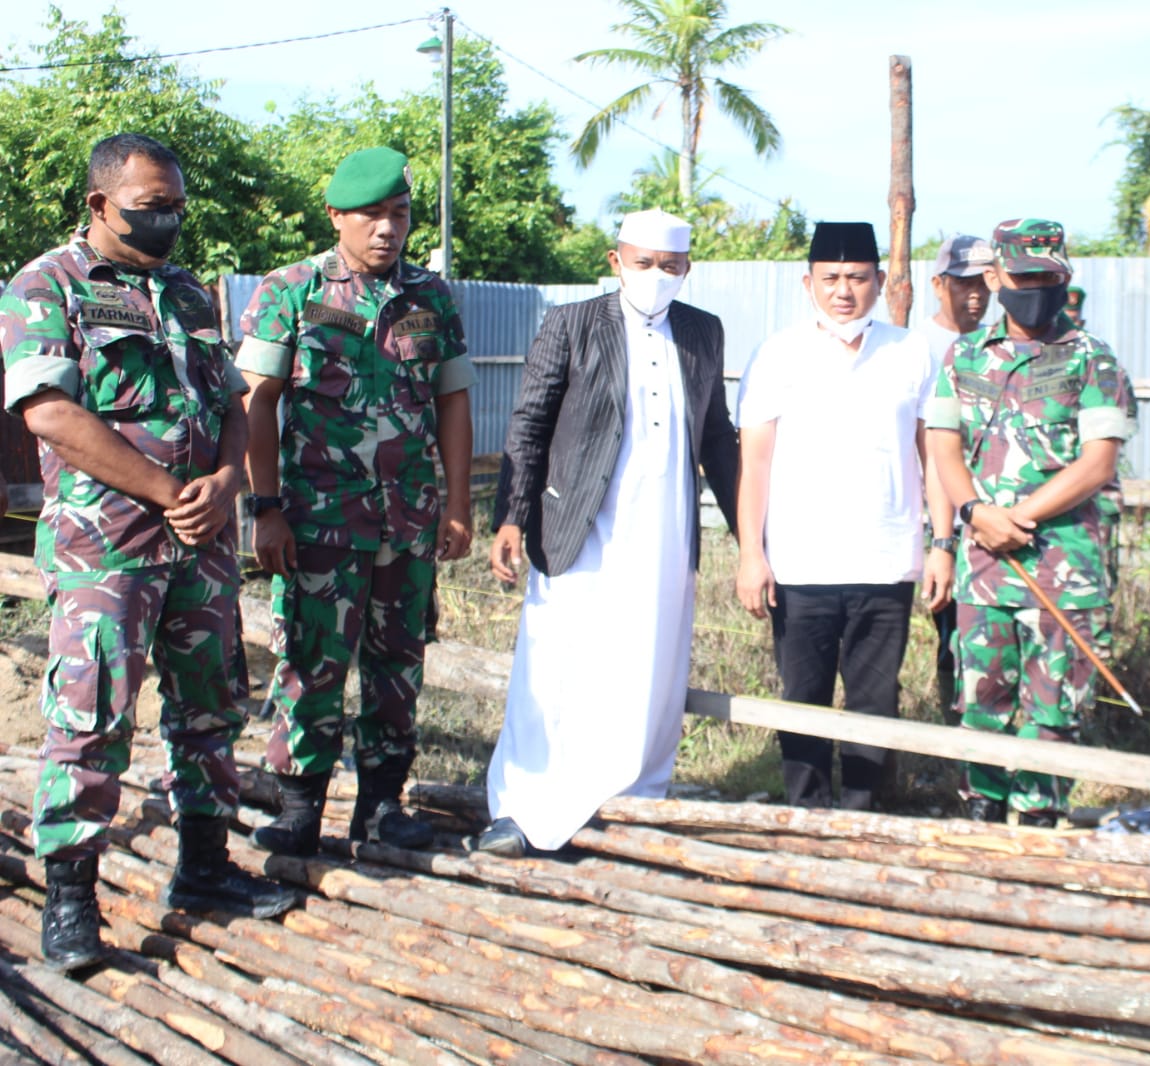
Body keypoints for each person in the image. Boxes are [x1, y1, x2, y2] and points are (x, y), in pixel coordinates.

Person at [0, 133, 294, 972]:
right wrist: (169, 492)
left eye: (175, 207)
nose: (166, 220)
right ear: (99, 204)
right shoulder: (45, 286)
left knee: (211, 705)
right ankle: (70, 900)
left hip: (200, 547)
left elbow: (235, 400)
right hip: (109, 549)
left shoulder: (189, 295)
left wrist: (229, 477)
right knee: (91, 716)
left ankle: (203, 868)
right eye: (148, 207)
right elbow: (51, 415)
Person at [475, 208, 739, 856]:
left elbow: (716, 438)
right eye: (643, 263)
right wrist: (511, 514)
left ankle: (630, 804)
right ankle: (523, 808)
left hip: (664, 530)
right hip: (578, 525)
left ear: (687, 269)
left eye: (670, 266)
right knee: (556, 661)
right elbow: (530, 423)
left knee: (649, 665)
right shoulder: (572, 324)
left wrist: (748, 536)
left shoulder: (703, 332)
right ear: (615, 259)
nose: (655, 276)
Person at [236, 147, 476, 856]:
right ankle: (298, 806)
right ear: (337, 216)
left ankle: (381, 807)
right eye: (371, 214)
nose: (386, 229)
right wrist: (266, 506)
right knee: (311, 664)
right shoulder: (292, 290)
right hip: (319, 523)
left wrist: (457, 504)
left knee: (398, 666)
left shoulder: (430, 296)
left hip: (407, 525)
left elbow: (453, 400)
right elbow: (257, 402)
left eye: (398, 214)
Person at [736, 221, 954, 810]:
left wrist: (942, 543)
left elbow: (932, 454)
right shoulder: (777, 353)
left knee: (875, 700)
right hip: (800, 562)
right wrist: (751, 554)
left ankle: (864, 820)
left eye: (857, 278)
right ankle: (806, 814)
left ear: (880, 281)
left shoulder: (911, 351)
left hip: (886, 561)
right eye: (830, 278)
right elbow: (754, 463)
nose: (843, 291)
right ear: (807, 282)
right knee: (802, 694)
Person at [926, 219, 1137, 826]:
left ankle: (1040, 820)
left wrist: (1011, 517)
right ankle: (982, 810)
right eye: (1024, 276)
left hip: (1062, 566)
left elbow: (1097, 463)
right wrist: (974, 514)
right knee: (981, 701)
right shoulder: (964, 355)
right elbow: (944, 446)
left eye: (1050, 277)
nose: (1036, 288)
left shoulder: (1093, 360)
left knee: (1055, 711)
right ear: (995, 278)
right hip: (986, 569)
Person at [915, 235, 993, 723]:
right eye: (963, 283)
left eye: (985, 282)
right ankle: (947, 733)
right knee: (946, 634)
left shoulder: (995, 348)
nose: (976, 295)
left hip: (986, 519)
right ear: (939, 284)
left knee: (978, 636)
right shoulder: (916, 347)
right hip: (932, 520)